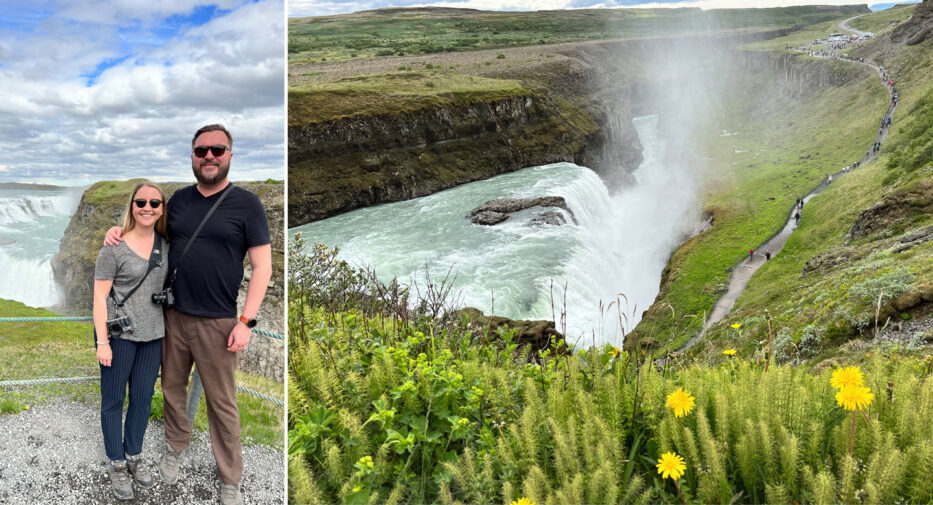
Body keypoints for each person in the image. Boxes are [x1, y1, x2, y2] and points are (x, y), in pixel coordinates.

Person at [106, 124, 272, 505]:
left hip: (218, 321)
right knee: (171, 391)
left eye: (217, 150)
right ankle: (174, 448)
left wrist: (246, 321)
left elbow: (262, 267)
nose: (209, 157)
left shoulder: (247, 204)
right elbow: (147, 232)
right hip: (172, 316)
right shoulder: (178, 200)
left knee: (222, 402)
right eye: (201, 151)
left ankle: (230, 476)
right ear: (193, 157)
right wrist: (118, 230)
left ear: (230, 154)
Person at [94, 182, 170, 500]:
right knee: (113, 401)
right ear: (132, 205)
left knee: (141, 399)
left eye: (155, 202)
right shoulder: (113, 247)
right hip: (119, 336)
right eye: (141, 202)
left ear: (162, 208)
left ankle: (134, 456)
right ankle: (116, 463)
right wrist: (102, 342)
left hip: (154, 337)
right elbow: (99, 298)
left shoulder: (167, 246)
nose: (147, 207)